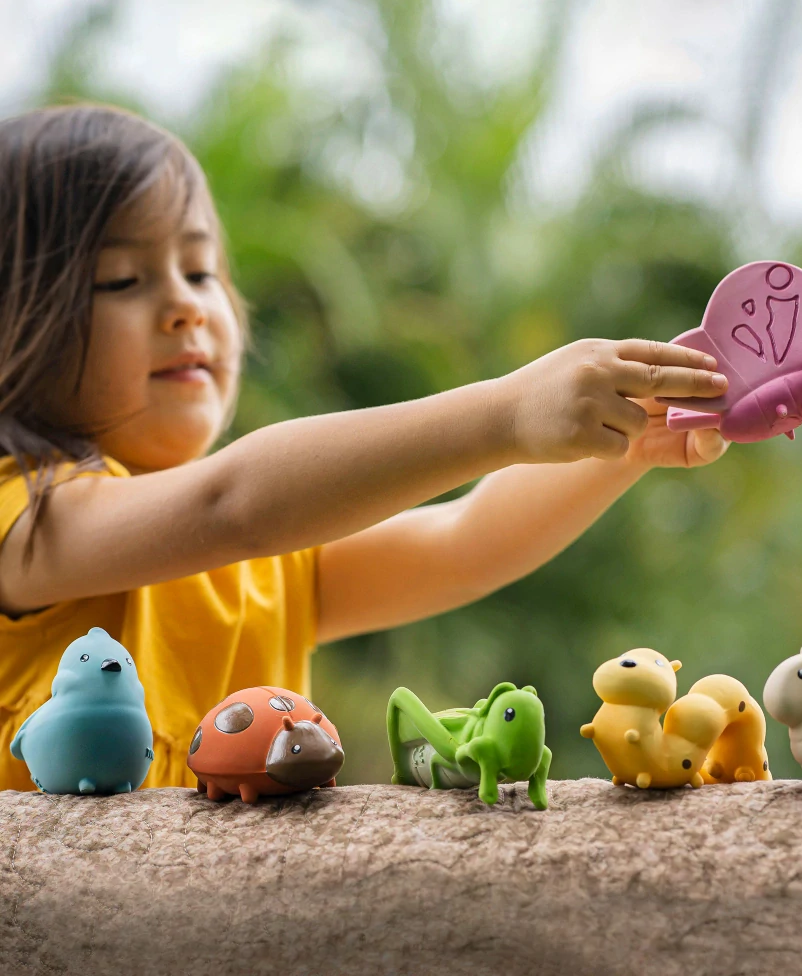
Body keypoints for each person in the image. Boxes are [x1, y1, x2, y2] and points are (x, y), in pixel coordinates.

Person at [0, 104, 730, 790]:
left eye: (199, 271)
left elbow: (465, 541)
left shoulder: (265, 568)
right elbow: (230, 504)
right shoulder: (27, 517)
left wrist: (629, 445)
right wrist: (506, 412)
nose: (187, 305)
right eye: (121, 279)